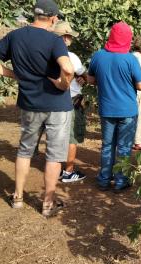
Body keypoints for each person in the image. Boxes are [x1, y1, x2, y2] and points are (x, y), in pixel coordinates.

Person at [0, 0, 74, 217]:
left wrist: (13, 74)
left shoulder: (15, 36)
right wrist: (63, 84)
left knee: (25, 150)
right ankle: (47, 204)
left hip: (29, 104)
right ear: (53, 18)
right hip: (57, 106)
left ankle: (17, 197)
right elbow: (68, 68)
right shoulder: (55, 40)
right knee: (54, 155)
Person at [87, 22, 141, 192]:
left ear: (111, 36)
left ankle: (104, 180)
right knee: (124, 147)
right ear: (128, 39)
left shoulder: (98, 56)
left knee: (107, 145)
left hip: (107, 108)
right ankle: (121, 181)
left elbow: (91, 80)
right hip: (127, 110)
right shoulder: (130, 59)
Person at [53, 21, 87, 182]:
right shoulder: (71, 57)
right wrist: (82, 77)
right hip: (71, 101)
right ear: (65, 38)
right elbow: (84, 74)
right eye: (70, 36)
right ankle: (68, 171)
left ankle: (54, 169)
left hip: (52, 101)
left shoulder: (46, 55)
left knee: (56, 136)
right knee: (71, 137)